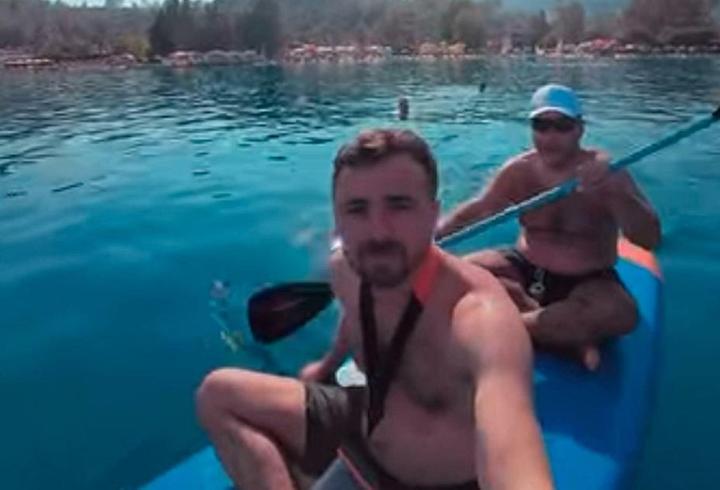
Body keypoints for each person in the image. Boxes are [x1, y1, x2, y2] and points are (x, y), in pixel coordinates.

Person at [196, 129, 554, 490]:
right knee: (218, 394)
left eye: (399, 205)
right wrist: (327, 366)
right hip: (364, 428)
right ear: (338, 221)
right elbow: (355, 316)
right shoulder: (346, 269)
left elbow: (512, 455)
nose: (378, 232)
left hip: (431, 480)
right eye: (357, 209)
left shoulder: (479, 319)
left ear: (433, 214)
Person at [435, 84, 661, 370]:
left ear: (579, 129)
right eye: (541, 126)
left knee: (620, 314)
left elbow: (649, 238)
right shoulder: (519, 170)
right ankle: (556, 331)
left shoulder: (608, 175)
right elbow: (480, 209)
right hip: (523, 268)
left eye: (562, 126)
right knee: (448, 277)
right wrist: (431, 237)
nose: (551, 136)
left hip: (587, 282)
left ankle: (506, 326)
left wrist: (615, 194)